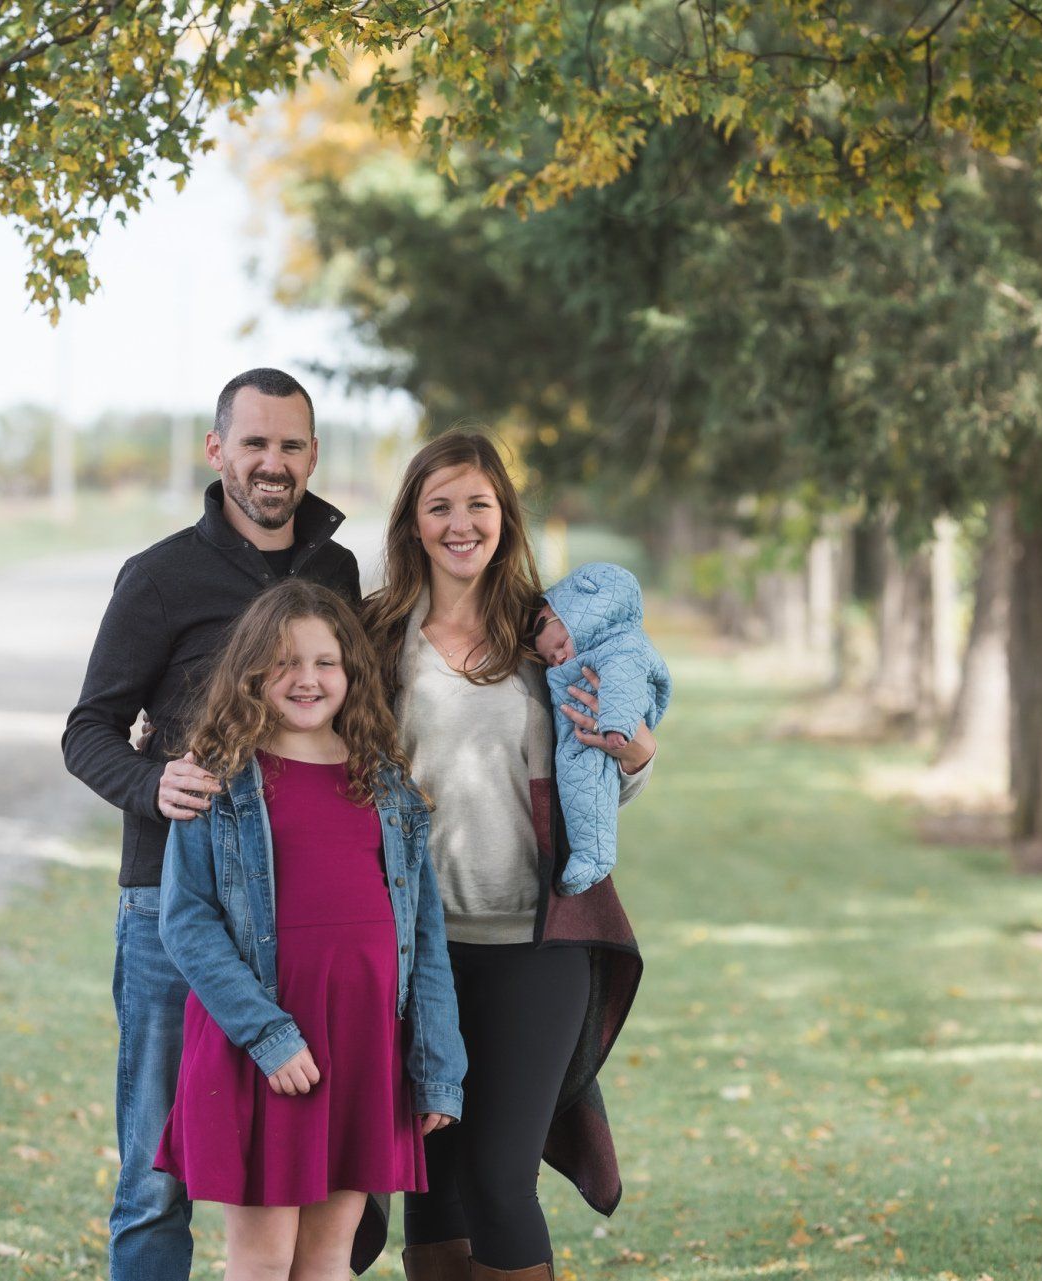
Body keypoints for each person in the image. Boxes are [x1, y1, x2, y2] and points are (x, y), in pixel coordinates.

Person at [62, 368, 361, 1281]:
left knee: (305, 1160)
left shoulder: (338, 572)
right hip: (168, 905)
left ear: (312, 455)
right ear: (217, 450)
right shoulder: (158, 577)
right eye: (256, 443)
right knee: (159, 1170)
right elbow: (88, 732)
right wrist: (153, 784)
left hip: (300, 916)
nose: (273, 464)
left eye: (292, 445)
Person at [360, 432, 659, 1281]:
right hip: (417, 950)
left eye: (478, 504)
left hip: (537, 943)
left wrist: (635, 756)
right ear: (413, 523)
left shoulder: (548, 633)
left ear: (505, 517)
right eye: (440, 505)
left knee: (499, 1179)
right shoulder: (379, 633)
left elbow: (600, 768)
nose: (461, 523)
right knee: (434, 1180)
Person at [154, 580, 464, 1281]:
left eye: (326, 662)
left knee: (330, 1259)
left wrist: (438, 1063)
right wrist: (267, 1033)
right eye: (285, 661)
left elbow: (425, 933)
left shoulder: (386, 783)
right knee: (263, 1261)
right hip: (264, 1044)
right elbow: (186, 921)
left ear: (352, 674)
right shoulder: (221, 779)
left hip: (362, 1041)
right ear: (252, 673)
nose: (307, 679)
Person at [530, 562, 671, 896]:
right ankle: (591, 855)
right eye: (552, 659)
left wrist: (620, 730)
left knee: (589, 781)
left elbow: (623, 680)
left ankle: (594, 856)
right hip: (585, 729)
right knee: (582, 782)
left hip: (607, 727)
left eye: (561, 647)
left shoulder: (621, 645)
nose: (560, 660)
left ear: (582, 615)